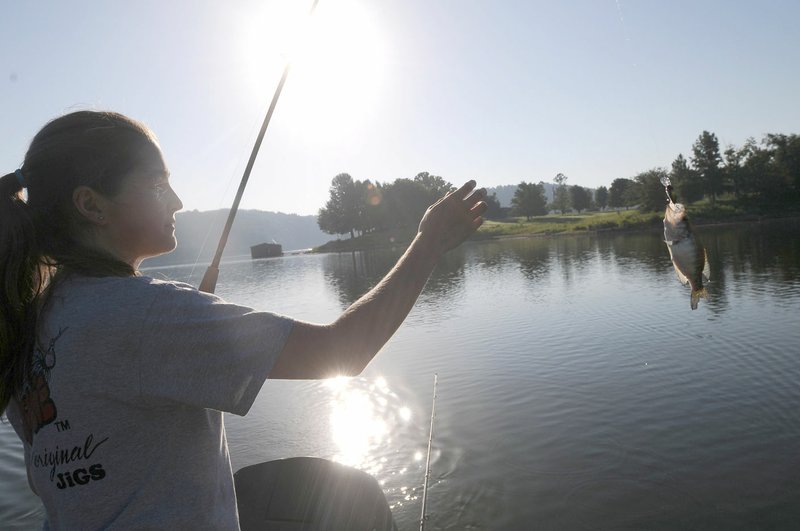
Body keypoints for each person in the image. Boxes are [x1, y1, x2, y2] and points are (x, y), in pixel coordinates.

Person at [0, 110, 486, 529]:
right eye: (157, 184)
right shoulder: (147, 314)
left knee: (299, 487)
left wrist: (188, 319)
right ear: (91, 205)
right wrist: (428, 242)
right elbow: (343, 352)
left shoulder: (29, 317)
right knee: (354, 496)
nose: (176, 201)